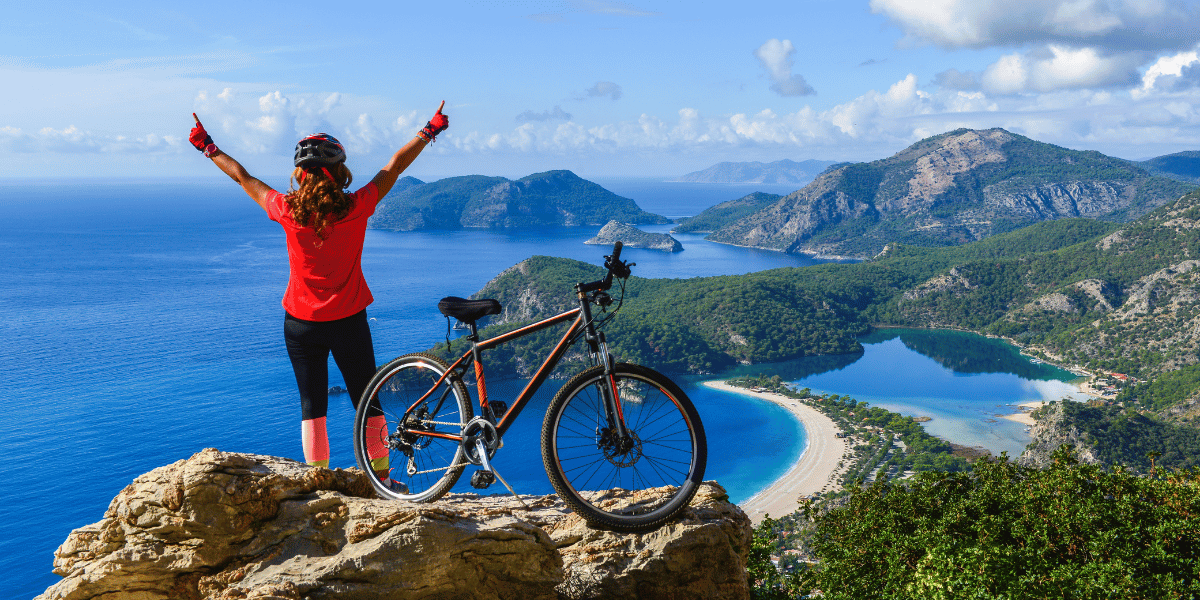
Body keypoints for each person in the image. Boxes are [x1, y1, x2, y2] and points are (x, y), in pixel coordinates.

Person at [189, 102, 448, 490]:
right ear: (341, 172)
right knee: (368, 401)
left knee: (313, 407)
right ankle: (382, 481)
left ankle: (319, 483)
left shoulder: (286, 210)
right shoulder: (357, 207)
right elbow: (395, 166)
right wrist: (429, 130)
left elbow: (243, 177)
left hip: (300, 325)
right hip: (348, 322)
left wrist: (208, 147)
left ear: (299, 174)